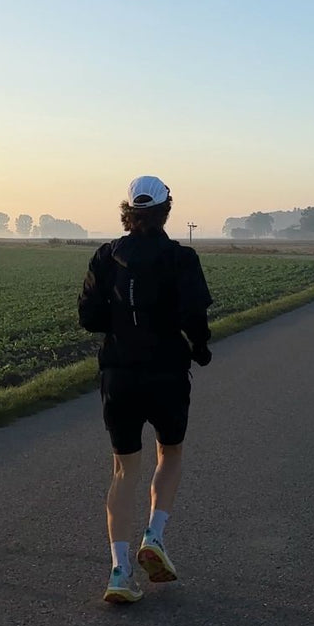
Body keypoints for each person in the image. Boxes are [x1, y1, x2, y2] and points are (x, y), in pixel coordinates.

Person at [78, 175, 213, 603]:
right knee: (169, 453)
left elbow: (89, 317)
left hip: (119, 374)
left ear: (128, 211)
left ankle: (119, 573)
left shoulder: (105, 256)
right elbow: (194, 316)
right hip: (167, 372)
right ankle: (154, 536)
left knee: (123, 470)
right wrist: (201, 347)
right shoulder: (181, 258)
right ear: (165, 210)